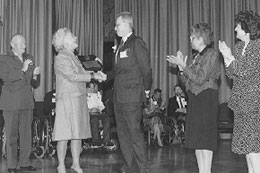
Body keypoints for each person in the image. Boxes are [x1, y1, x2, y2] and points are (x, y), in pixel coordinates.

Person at [166, 23, 220, 173]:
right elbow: (188, 83)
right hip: (195, 99)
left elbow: (200, 78)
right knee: (197, 139)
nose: (190, 39)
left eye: (193, 37)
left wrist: (184, 65)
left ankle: (206, 170)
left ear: (201, 38)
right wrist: (181, 69)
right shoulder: (196, 57)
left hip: (207, 98)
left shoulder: (211, 55)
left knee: (206, 139)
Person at [52, 28, 106, 173]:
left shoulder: (73, 56)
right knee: (63, 134)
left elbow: (81, 72)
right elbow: (72, 76)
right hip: (67, 99)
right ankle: (61, 165)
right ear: (63, 41)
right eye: (72, 36)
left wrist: (96, 73)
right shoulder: (61, 56)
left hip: (78, 98)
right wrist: (93, 76)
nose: (75, 37)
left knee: (78, 134)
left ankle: (76, 164)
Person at [109, 11, 152, 173]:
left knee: (134, 133)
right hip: (118, 97)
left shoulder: (136, 43)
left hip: (133, 96)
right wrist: (104, 75)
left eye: (118, 24)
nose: (115, 28)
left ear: (127, 24)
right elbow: (117, 71)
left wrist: (146, 90)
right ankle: (130, 166)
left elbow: (146, 70)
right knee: (123, 134)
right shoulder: (120, 45)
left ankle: (144, 168)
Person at [219, 11, 260, 173]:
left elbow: (245, 71)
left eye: (237, 26)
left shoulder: (257, 47)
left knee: (254, 148)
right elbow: (231, 74)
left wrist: (230, 57)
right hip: (240, 104)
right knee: (246, 149)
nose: (235, 29)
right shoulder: (239, 47)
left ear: (246, 28)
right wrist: (226, 57)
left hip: (253, 104)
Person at [0, 34, 40, 173]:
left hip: (27, 102)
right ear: (13, 45)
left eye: (24, 42)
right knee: (11, 135)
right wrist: (22, 69)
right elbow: (5, 77)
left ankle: (25, 162)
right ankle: (11, 165)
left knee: (26, 134)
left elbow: (34, 83)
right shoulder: (4, 59)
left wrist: (35, 75)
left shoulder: (30, 58)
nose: (24, 45)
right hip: (11, 102)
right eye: (21, 43)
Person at [86, 81, 112, 148]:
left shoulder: (97, 95)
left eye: (93, 88)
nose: (92, 90)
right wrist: (91, 110)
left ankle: (106, 140)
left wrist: (99, 109)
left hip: (98, 113)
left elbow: (101, 105)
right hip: (89, 113)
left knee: (107, 119)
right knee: (94, 120)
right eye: (90, 88)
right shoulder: (84, 96)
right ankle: (96, 140)